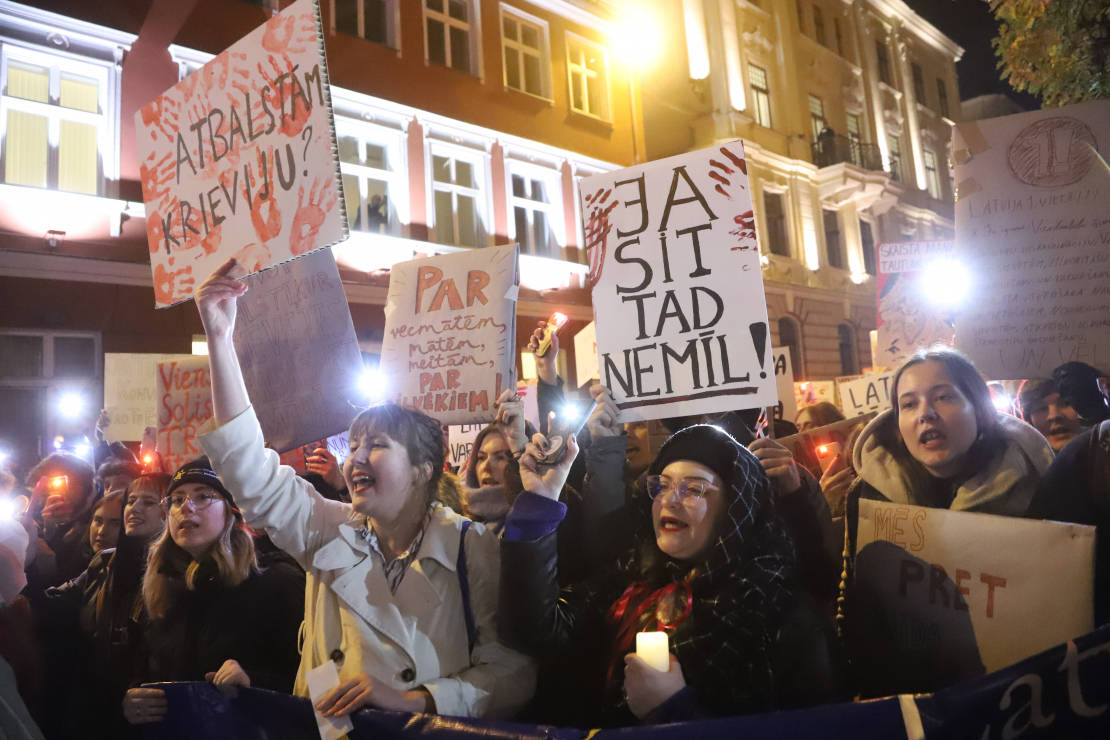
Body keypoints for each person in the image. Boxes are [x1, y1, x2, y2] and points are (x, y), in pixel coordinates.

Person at [186, 259, 535, 720]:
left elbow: (513, 671)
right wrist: (219, 337)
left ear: (422, 470)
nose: (356, 459)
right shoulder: (329, 530)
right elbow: (248, 471)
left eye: (377, 445)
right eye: (352, 446)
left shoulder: (470, 547)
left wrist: (416, 700)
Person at [499, 423, 844, 727]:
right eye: (661, 485)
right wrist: (539, 506)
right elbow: (533, 631)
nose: (669, 501)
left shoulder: (782, 612)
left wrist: (678, 711)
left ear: (737, 507)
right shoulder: (631, 578)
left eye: (693, 489)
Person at [123, 459, 305, 726]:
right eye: (177, 499)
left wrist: (254, 683)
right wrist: (134, 701)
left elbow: (315, 677)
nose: (186, 506)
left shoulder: (274, 582)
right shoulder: (161, 586)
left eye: (203, 496)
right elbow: (145, 672)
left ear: (232, 511)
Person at [845, 345, 1053, 517]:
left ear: (980, 410)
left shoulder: (1038, 490)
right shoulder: (867, 494)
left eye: (943, 397)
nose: (925, 413)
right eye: (909, 404)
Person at [41, 474, 169, 739]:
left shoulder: (178, 574)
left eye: (148, 502)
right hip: (95, 711)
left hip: (147, 717)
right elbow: (57, 607)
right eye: (131, 501)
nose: (134, 509)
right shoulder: (105, 564)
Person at [23, 452, 99, 591]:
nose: (40, 502)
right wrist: (48, 533)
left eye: (45, 494)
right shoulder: (41, 512)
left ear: (76, 490)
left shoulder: (104, 517)